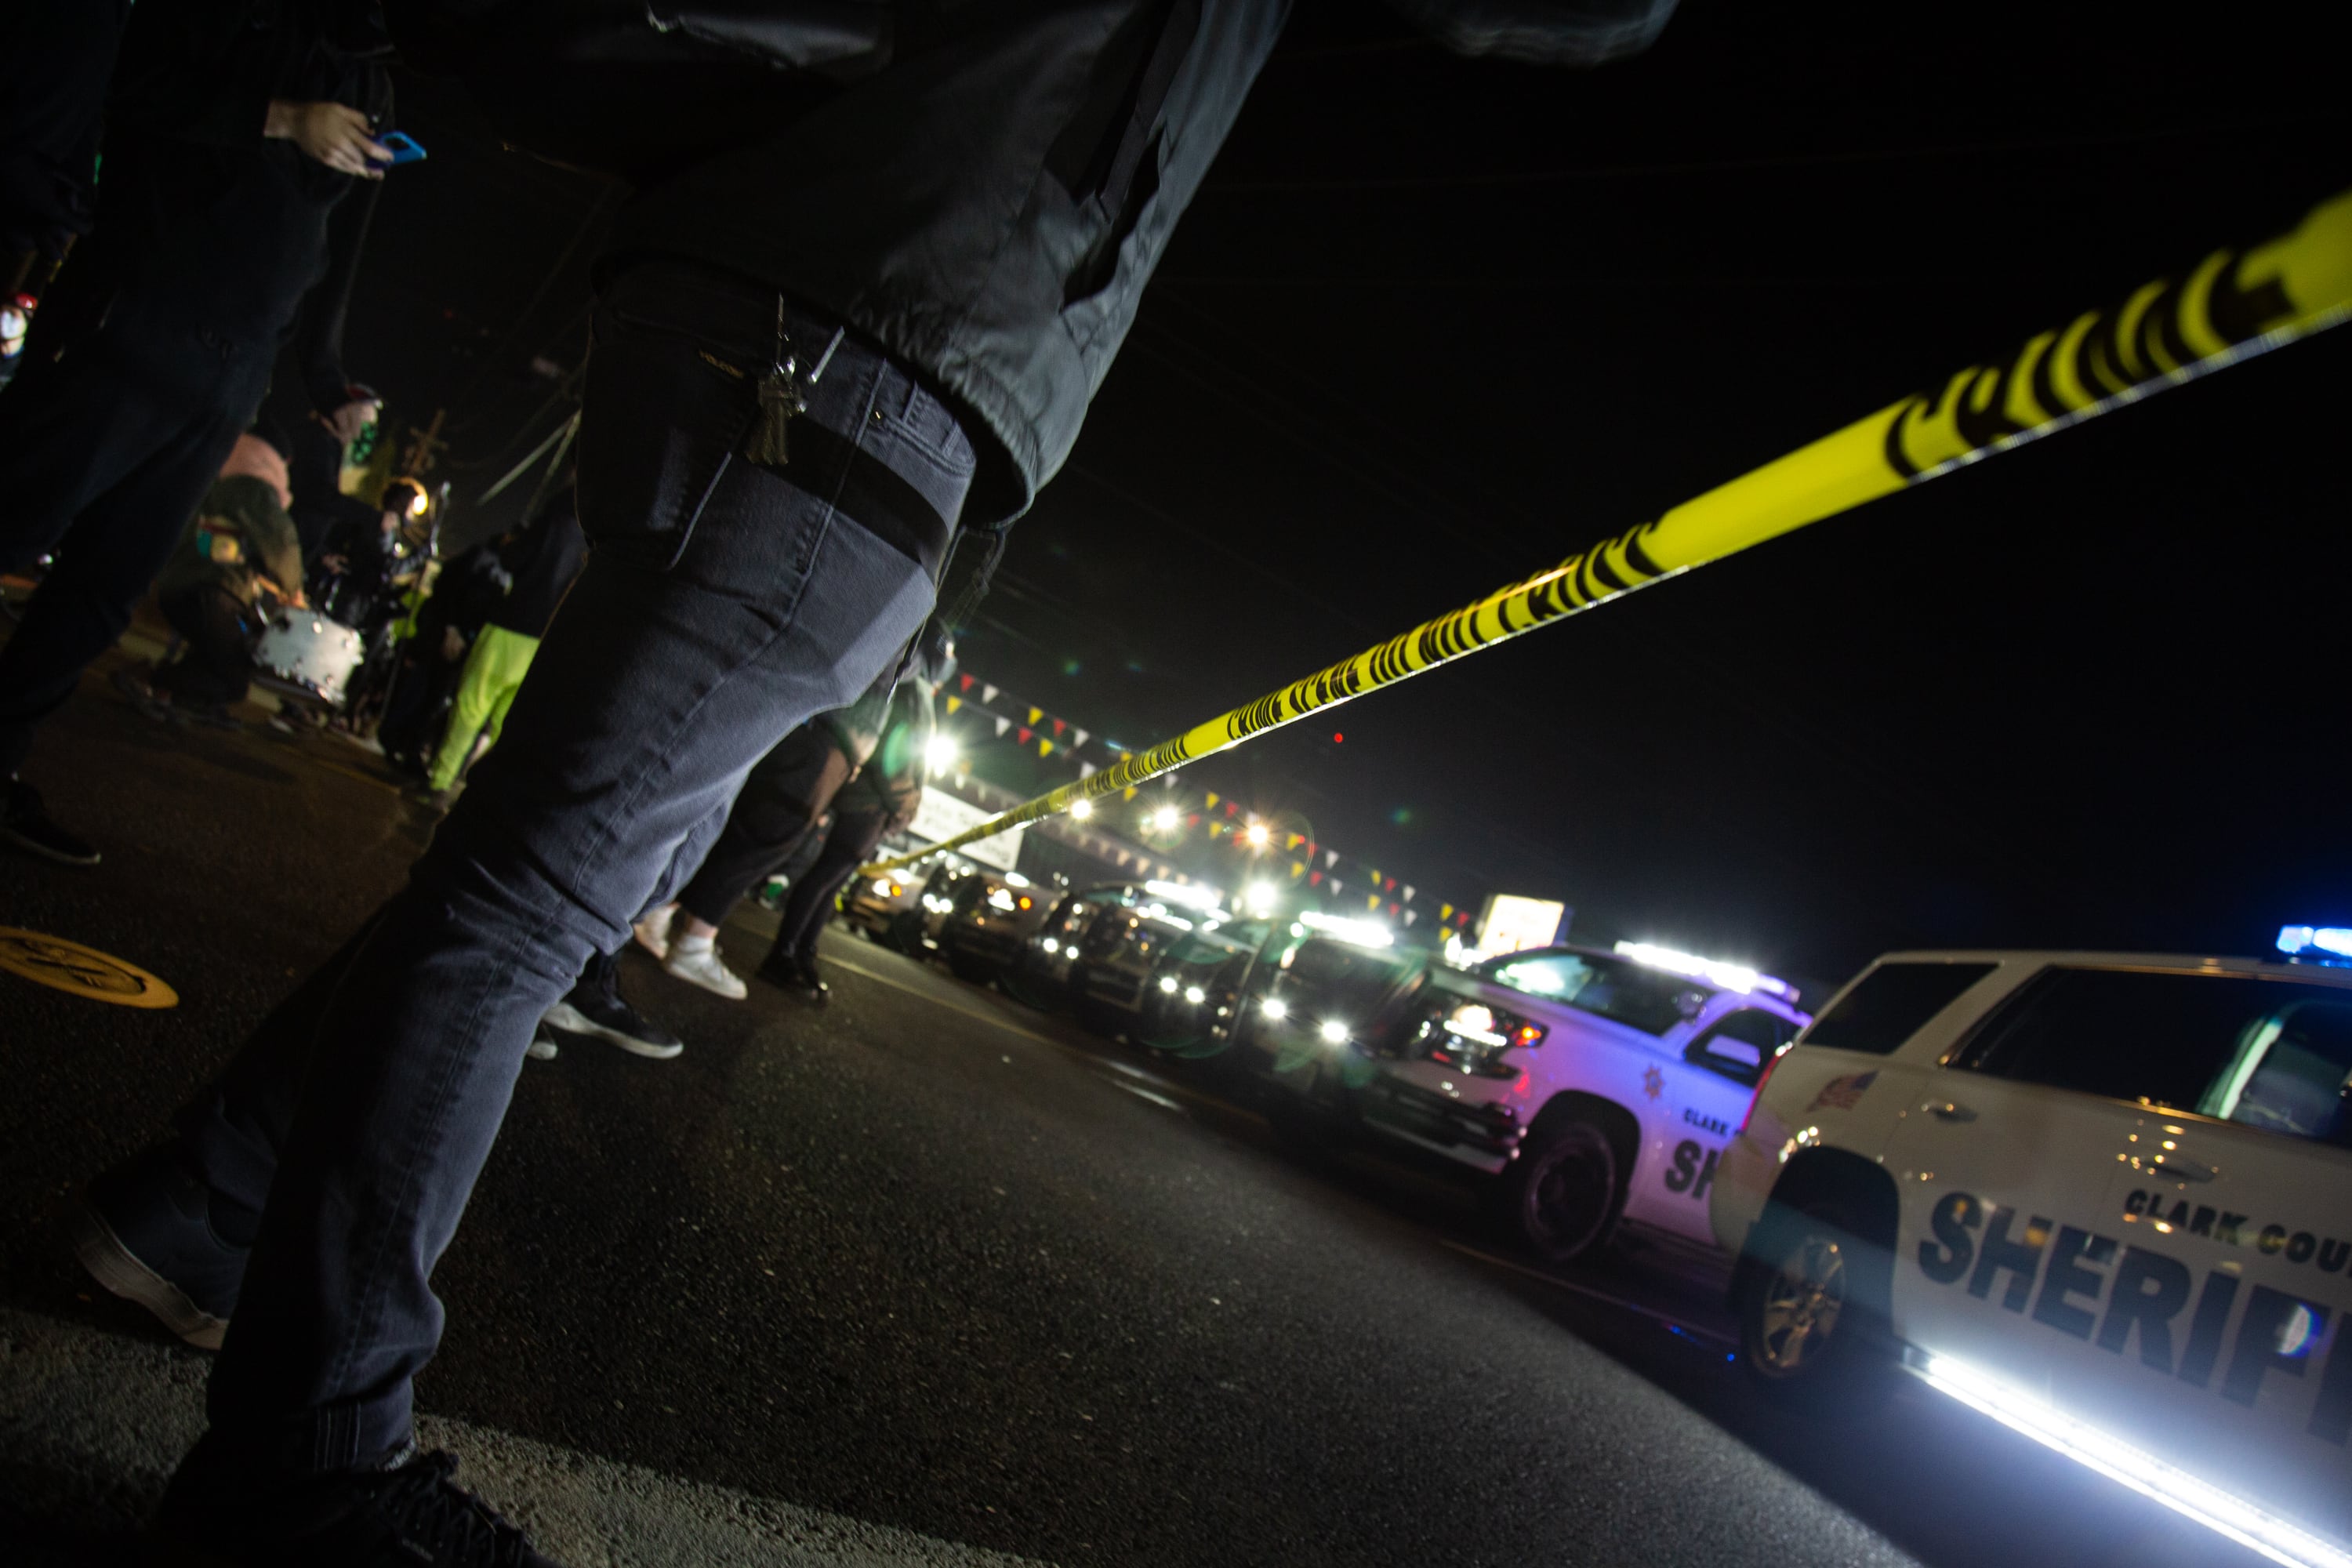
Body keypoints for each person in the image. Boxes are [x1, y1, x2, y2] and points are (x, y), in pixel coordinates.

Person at [74, 5, 1678, 1563]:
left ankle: (195, 1213)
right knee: (534, 897)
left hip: (789, 287)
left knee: (541, 872)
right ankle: (299, 1465)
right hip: (882, 331)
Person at [0, 0, 393, 866]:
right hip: (136, 311)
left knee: (106, 585)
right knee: (16, 518)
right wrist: (284, 119)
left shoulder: (368, 70)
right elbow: (124, 87)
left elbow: (337, 243)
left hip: (235, 369)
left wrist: (327, 379)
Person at [633, 661, 902, 997]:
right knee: (762, 838)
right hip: (825, 732)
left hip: (828, 734)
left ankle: (667, 917)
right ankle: (687, 938)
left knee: (752, 836)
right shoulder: (901, 651)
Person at [757, 649, 942, 1001]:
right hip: (869, 800)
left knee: (831, 882)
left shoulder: (916, 686)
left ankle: (801, 953)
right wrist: (904, 802)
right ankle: (783, 954)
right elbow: (898, 751)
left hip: (872, 801)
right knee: (824, 878)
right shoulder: (913, 687)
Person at [116, 430, 307, 728]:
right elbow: (281, 543)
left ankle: (187, 700)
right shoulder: (254, 486)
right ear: (280, 462)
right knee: (234, 678)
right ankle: (151, 679)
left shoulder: (216, 477)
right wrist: (294, 591)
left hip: (180, 584)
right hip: (212, 590)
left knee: (212, 655)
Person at [418, 485, 587, 809]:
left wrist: (514, 545)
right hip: (549, 638)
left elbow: (515, 559)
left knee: (471, 706)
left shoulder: (558, 510)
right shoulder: (602, 529)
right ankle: (484, 798)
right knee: (508, 724)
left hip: (513, 623)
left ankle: (438, 783)